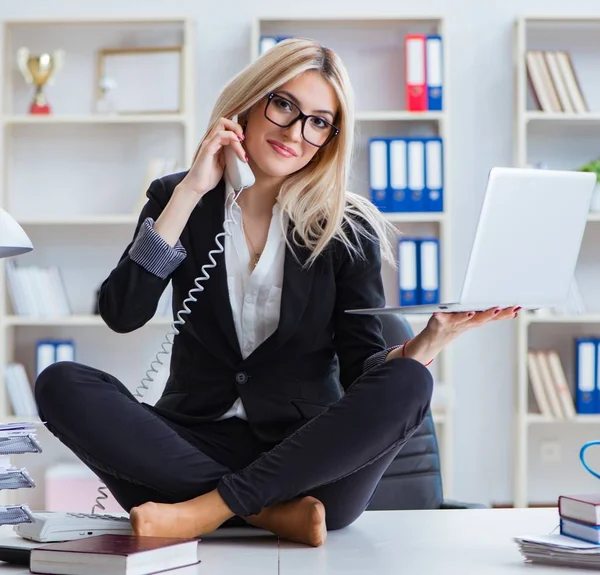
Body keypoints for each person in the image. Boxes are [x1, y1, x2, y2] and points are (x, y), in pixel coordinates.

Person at [34, 38, 519, 548]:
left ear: (331, 137)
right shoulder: (178, 198)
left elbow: (361, 373)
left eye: (318, 121)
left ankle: (208, 510)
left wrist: (428, 342)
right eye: (284, 104)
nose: (295, 132)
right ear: (249, 101)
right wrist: (191, 193)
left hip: (307, 460)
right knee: (61, 383)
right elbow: (122, 312)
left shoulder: (347, 228)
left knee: (410, 383)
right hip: (188, 443)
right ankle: (268, 514)